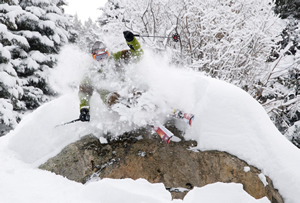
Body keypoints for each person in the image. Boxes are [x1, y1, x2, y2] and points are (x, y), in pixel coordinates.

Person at [78, 31, 144, 122]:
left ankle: (146, 112)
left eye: (104, 56)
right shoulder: (92, 71)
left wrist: (131, 41)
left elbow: (138, 55)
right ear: (93, 58)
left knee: (136, 92)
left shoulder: (117, 57)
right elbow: (84, 91)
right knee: (114, 99)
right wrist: (84, 109)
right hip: (109, 96)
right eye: (98, 58)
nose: (102, 60)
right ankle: (129, 115)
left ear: (108, 53)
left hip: (125, 88)